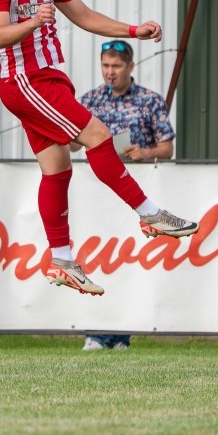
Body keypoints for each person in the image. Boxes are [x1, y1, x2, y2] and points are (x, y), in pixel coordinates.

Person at [0, 0, 199, 298]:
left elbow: (83, 15)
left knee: (57, 169)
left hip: (48, 77)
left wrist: (133, 30)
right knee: (98, 135)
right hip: (24, 80)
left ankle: (62, 261)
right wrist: (33, 21)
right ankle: (149, 214)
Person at [76, 39, 176, 350]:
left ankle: (122, 334)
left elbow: (167, 148)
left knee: (129, 263)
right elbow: (73, 144)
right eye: (105, 65)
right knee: (97, 258)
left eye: (116, 66)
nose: (110, 72)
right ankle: (96, 332)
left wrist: (145, 153)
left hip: (136, 193)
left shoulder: (150, 101)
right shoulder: (89, 100)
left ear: (130, 67)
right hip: (98, 194)